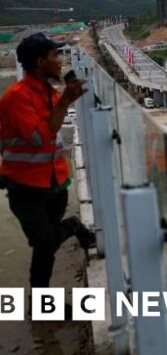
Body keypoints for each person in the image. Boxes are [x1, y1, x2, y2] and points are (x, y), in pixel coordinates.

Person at [0, 33, 95, 290]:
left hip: (54, 183)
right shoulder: (17, 97)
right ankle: (42, 302)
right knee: (43, 243)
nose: (60, 61)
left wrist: (62, 100)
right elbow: (41, 136)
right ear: (41, 61)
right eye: (55, 55)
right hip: (26, 186)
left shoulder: (47, 93)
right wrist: (65, 101)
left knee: (46, 247)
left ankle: (41, 304)